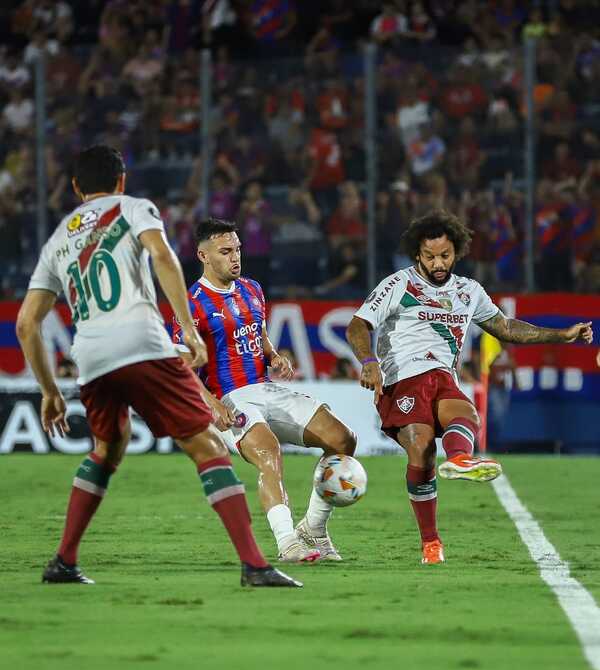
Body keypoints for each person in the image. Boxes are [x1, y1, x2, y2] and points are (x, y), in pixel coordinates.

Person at [16, 145, 300, 588]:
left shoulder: (58, 239)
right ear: (122, 181)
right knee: (209, 444)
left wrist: (50, 391)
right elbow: (164, 257)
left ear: (75, 188)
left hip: (90, 355)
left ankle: (64, 562)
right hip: (142, 344)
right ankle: (255, 566)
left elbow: (26, 324)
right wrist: (186, 327)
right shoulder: (132, 208)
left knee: (108, 449)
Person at [346, 209, 593, 565]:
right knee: (422, 450)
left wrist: (561, 335)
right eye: (429, 256)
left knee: (464, 411)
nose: (437, 262)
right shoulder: (398, 284)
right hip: (402, 379)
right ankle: (431, 542)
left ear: (456, 252)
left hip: (443, 376)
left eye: (444, 255)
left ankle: (460, 458)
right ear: (418, 254)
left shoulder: (468, 290)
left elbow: (506, 328)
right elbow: (357, 326)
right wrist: (369, 362)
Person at [172, 218, 357, 563]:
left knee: (343, 440)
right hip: (229, 397)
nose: (235, 257)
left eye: (238, 249)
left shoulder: (252, 289)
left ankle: (313, 527)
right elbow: (181, 366)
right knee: (269, 452)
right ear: (203, 255)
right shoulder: (191, 305)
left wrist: (274, 355)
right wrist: (210, 403)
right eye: (225, 251)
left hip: (265, 388)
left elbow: (258, 334)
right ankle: (288, 543)